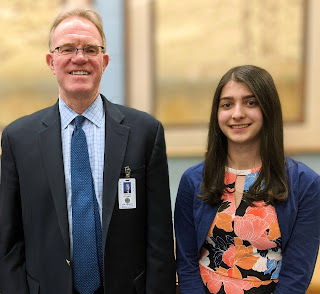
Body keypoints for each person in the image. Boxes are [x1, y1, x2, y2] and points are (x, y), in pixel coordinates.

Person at [0, 8, 176, 294]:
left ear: (104, 62)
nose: (79, 58)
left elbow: (159, 241)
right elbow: (8, 243)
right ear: (51, 61)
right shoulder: (18, 139)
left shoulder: (145, 132)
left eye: (90, 49)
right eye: (67, 48)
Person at [174, 65, 320, 294]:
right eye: (227, 104)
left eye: (251, 102)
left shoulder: (306, 184)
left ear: (268, 109)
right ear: (217, 114)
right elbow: (186, 262)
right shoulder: (193, 180)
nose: (237, 113)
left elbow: (298, 273)